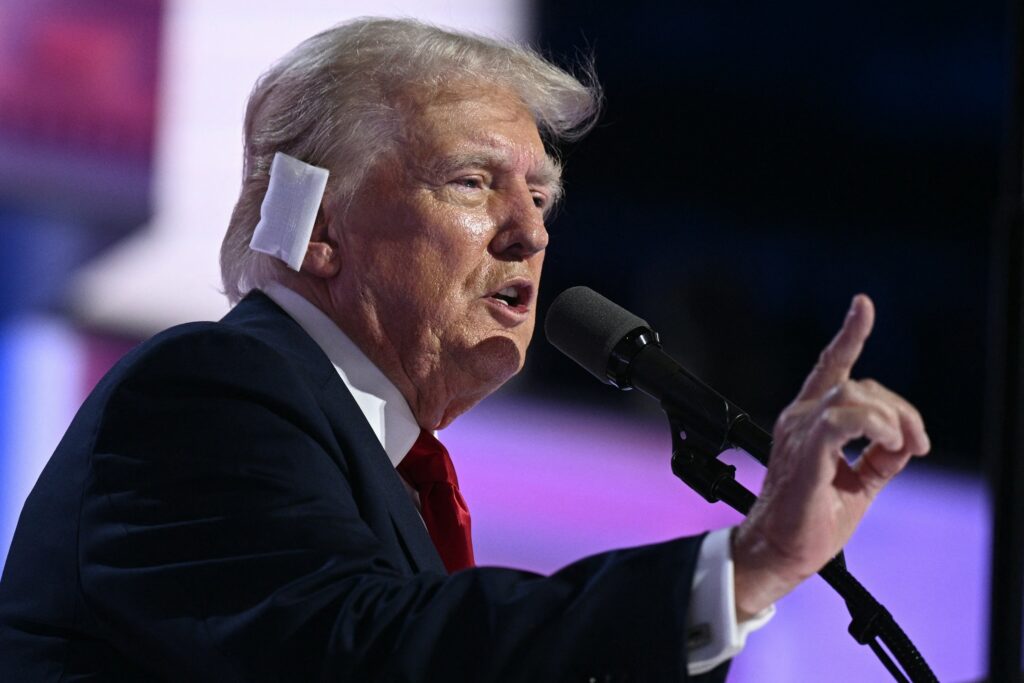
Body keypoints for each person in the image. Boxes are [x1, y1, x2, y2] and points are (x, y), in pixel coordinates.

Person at [0, 18, 929, 681]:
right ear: (321, 227)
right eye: (472, 181)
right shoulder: (205, 392)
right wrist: (747, 563)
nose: (531, 234)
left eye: (543, 199)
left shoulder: (378, 465)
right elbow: (365, 653)